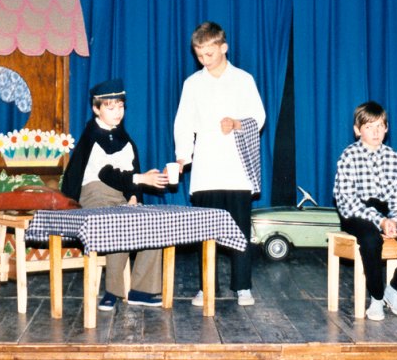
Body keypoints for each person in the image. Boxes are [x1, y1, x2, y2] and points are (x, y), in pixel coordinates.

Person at [173, 21, 265, 307]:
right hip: (206, 171)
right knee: (205, 230)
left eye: (209, 54)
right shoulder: (192, 84)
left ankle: (243, 286)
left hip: (237, 170)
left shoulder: (244, 80)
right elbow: (184, 123)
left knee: (239, 231)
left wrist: (237, 123)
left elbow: (259, 116)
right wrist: (182, 155)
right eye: (199, 55)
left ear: (223, 48)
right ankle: (206, 287)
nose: (204, 60)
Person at [61, 78, 168, 311]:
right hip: (95, 195)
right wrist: (141, 179)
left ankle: (142, 290)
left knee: (155, 224)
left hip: (120, 197)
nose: (117, 112)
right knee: (118, 221)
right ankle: (112, 291)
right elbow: (107, 173)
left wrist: (133, 198)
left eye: (120, 106)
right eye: (110, 108)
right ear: (96, 109)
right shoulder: (91, 136)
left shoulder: (125, 140)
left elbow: (130, 174)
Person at [333, 101, 397, 321]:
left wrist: (395, 219)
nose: (375, 132)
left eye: (380, 126)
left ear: (386, 128)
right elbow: (347, 200)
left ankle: (395, 290)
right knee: (370, 239)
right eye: (369, 127)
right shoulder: (349, 156)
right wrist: (380, 221)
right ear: (358, 131)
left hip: (387, 212)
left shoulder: (393, 157)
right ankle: (376, 297)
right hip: (356, 213)